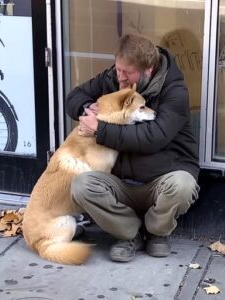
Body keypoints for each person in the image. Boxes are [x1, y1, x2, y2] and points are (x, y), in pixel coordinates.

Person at [66, 33, 200, 262]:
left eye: (126, 73)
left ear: (148, 70)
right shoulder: (114, 78)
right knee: (81, 185)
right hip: (121, 183)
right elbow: (74, 97)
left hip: (160, 181)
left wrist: (100, 130)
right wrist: (90, 108)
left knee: (183, 185)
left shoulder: (175, 92)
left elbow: (153, 137)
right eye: (118, 69)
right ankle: (130, 233)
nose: (119, 78)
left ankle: (157, 233)